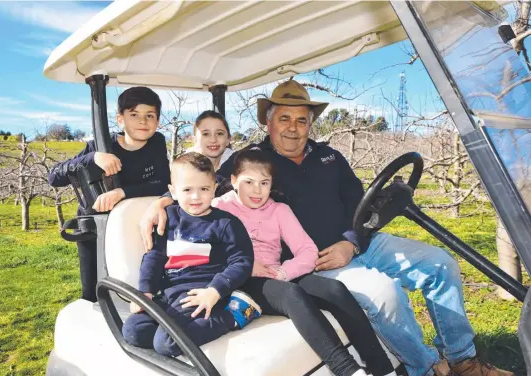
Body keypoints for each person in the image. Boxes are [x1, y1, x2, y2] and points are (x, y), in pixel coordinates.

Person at [141, 80, 513, 376]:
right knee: (386, 294)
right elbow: (198, 186)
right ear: (267, 122)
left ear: (310, 124)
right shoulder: (251, 162)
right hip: (314, 259)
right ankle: (427, 367)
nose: (293, 127)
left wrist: (352, 242)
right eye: (284, 119)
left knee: (440, 264)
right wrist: (162, 201)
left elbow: (359, 203)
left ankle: (463, 360)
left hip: (358, 242)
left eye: (302, 120)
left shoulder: (329, 156)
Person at [213, 149, 396, 376]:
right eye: (248, 182)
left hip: (275, 274)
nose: (257, 190)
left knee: (334, 289)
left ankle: (382, 368)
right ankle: (347, 370)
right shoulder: (219, 207)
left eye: (264, 182)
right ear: (233, 181)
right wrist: (246, 266)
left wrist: (283, 272)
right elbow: (207, 245)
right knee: (291, 294)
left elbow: (307, 251)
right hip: (241, 278)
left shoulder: (279, 210)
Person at [122, 153, 257, 356]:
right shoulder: (167, 218)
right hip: (169, 294)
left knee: (166, 344)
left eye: (203, 189)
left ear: (214, 189)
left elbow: (242, 261)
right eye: (187, 190)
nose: (196, 197)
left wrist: (215, 290)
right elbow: (154, 256)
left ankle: (231, 316)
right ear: (173, 191)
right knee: (134, 331)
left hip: (203, 293)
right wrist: (145, 291)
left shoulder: (226, 223)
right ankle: (179, 325)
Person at [48, 86, 171, 302]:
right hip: (96, 229)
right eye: (134, 115)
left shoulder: (157, 143)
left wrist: (121, 192)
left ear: (158, 121)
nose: (143, 121)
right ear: (120, 119)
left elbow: (162, 182)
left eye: (149, 115)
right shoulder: (101, 146)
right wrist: (92, 158)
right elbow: (54, 177)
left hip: (138, 225)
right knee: (94, 288)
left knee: (137, 279)